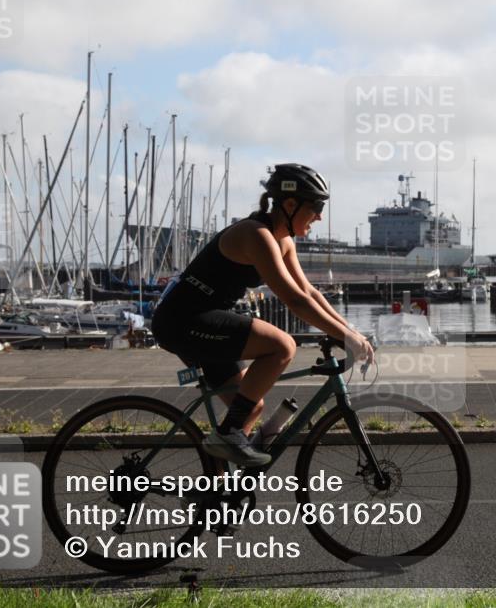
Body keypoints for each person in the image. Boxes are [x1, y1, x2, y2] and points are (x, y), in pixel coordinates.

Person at [152, 164, 374, 467]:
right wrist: (345, 336)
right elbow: (294, 300)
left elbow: (310, 293)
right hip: (183, 320)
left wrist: (350, 331)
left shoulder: (282, 240)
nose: (320, 216)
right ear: (291, 204)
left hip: (201, 320)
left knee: (250, 406)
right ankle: (229, 435)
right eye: (317, 206)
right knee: (282, 346)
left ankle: (213, 494)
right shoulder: (255, 235)